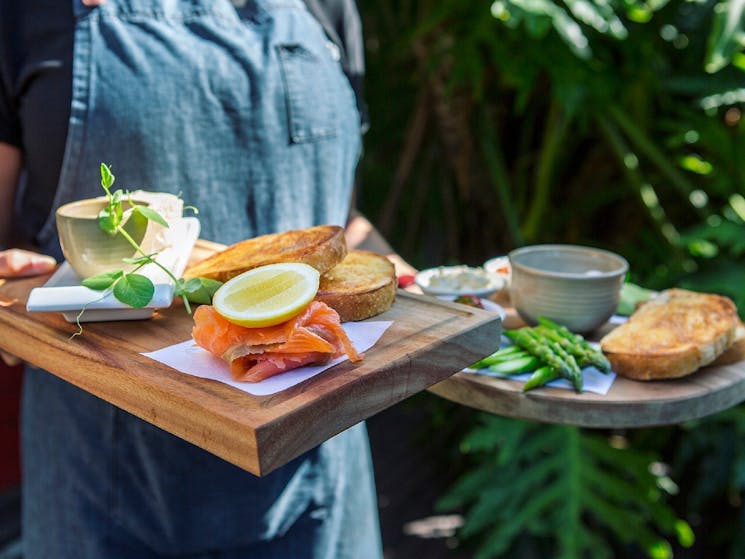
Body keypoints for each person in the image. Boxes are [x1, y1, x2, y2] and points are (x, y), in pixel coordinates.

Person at [0, 1, 411, 557]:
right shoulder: (24, 16)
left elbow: (341, 221)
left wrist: (413, 284)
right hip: (104, 487)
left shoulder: (327, 8)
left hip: (319, 469)